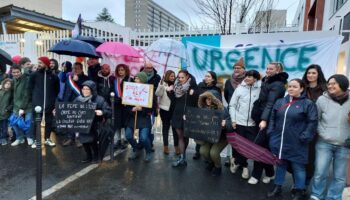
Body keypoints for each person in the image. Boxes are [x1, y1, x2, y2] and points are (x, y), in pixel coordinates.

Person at [266, 79, 317, 200]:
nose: (291, 89)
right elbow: (272, 117)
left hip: (297, 142)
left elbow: (312, 122)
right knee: (280, 165)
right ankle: (277, 187)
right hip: (280, 140)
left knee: (298, 167)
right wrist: (271, 132)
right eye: (289, 86)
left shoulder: (308, 104)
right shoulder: (280, 101)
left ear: (301, 89)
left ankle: (299, 191)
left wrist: (305, 136)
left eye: (294, 87)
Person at [310, 74, 350, 200]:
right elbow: (316, 119)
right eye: (329, 83)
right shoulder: (322, 99)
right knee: (320, 173)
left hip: (344, 144)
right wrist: (324, 133)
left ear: (343, 84)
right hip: (324, 143)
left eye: (334, 83)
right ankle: (317, 195)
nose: (330, 86)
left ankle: (333, 197)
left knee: (340, 176)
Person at [250, 62, 289, 184]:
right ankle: (270, 173)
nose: (267, 70)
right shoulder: (268, 80)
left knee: (258, 147)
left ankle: (256, 175)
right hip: (262, 118)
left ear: (278, 71)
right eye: (267, 68)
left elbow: (270, 104)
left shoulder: (277, 84)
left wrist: (264, 120)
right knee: (264, 147)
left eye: (271, 69)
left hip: (268, 120)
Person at [229, 70, 261, 181]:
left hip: (253, 124)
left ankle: (237, 162)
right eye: (246, 76)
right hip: (239, 123)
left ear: (255, 79)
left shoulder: (260, 89)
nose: (247, 78)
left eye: (250, 77)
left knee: (250, 147)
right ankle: (245, 167)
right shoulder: (239, 88)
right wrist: (233, 120)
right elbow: (232, 105)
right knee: (240, 147)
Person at [75, 80, 111, 163]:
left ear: (92, 90)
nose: (85, 91)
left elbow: (109, 111)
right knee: (84, 141)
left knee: (92, 141)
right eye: (83, 89)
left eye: (87, 89)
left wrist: (102, 112)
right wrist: (58, 112)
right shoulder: (78, 99)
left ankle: (96, 156)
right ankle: (89, 156)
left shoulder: (99, 100)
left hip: (95, 125)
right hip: (82, 124)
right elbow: (70, 109)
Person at [29, 56, 60, 148]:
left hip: (49, 103)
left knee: (48, 122)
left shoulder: (53, 76)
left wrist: (51, 100)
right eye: (38, 63)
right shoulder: (34, 75)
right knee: (36, 122)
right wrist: (35, 98)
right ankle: (35, 139)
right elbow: (30, 88)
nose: (39, 65)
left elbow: (57, 90)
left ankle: (46, 138)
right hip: (37, 103)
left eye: (41, 63)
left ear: (46, 64)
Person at [199, 90, 231, 176]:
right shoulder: (203, 109)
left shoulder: (223, 110)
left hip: (222, 137)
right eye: (206, 99)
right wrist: (189, 118)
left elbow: (230, 124)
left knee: (214, 153)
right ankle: (211, 162)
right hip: (208, 137)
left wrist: (225, 124)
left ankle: (218, 167)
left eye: (210, 99)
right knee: (203, 151)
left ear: (215, 99)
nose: (208, 101)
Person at [170, 70, 198, 167]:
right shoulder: (176, 86)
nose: (180, 79)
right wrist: (169, 90)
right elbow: (173, 100)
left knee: (185, 136)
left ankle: (183, 157)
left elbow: (197, 101)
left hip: (188, 115)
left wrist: (193, 93)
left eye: (182, 77)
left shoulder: (193, 86)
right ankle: (182, 158)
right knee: (180, 136)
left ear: (187, 77)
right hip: (177, 113)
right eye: (179, 77)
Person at [125, 72, 155, 162]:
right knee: (128, 135)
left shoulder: (149, 91)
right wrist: (132, 109)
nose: (136, 80)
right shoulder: (130, 89)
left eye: (138, 79)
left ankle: (149, 151)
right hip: (132, 118)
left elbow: (152, 107)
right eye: (135, 78)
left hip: (144, 118)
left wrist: (142, 109)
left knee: (143, 137)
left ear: (143, 80)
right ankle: (136, 149)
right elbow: (126, 106)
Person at [194, 71, 222, 160]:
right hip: (200, 111)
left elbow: (218, 101)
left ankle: (209, 155)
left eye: (208, 76)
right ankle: (197, 151)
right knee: (200, 132)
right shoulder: (200, 85)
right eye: (205, 76)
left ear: (213, 78)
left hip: (212, 113)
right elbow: (196, 97)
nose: (206, 77)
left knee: (209, 133)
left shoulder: (216, 89)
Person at [224, 57, 246, 168]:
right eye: (235, 68)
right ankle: (231, 158)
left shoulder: (247, 81)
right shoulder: (229, 81)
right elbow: (226, 95)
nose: (236, 69)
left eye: (239, 68)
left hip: (244, 113)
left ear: (244, 69)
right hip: (232, 113)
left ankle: (242, 161)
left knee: (242, 137)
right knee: (231, 135)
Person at [62, 62, 89, 147]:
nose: (75, 70)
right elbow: (65, 90)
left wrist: (79, 81)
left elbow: (87, 90)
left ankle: (78, 138)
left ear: (81, 69)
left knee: (79, 121)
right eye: (73, 68)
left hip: (81, 102)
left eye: (77, 68)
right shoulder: (69, 78)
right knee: (70, 121)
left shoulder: (86, 78)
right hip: (69, 102)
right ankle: (70, 138)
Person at [155, 70, 179, 155]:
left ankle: (176, 146)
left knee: (175, 129)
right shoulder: (162, 84)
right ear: (167, 76)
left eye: (173, 76)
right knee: (165, 128)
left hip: (175, 110)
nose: (172, 78)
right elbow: (158, 94)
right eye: (171, 76)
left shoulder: (177, 84)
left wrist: (174, 89)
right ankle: (165, 146)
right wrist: (161, 86)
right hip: (165, 110)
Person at [10, 65, 34, 147]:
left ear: (21, 71)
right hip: (16, 106)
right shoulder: (13, 80)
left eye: (17, 72)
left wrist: (22, 108)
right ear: (11, 73)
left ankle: (29, 137)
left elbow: (26, 95)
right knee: (14, 123)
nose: (16, 74)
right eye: (14, 72)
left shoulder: (26, 79)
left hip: (27, 105)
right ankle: (20, 138)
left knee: (28, 122)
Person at [111, 64, 133, 149]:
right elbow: (112, 92)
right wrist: (117, 99)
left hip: (126, 106)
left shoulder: (130, 80)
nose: (120, 71)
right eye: (119, 70)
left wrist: (127, 99)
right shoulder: (115, 81)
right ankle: (117, 140)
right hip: (117, 105)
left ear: (126, 71)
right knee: (117, 124)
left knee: (124, 124)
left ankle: (124, 140)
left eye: (122, 70)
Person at [0, 78, 13, 145]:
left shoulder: (10, 93)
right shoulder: (0, 91)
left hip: (5, 113)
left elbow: (11, 103)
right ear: (3, 83)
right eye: (6, 83)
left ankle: (3, 138)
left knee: (4, 127)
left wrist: (7, 109)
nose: (7, 85)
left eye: (9, 84)